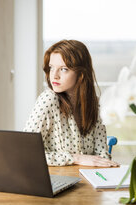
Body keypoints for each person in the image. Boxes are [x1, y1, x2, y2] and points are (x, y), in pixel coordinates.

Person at [23, 39, 119, 167]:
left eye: (63, 69)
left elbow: (101, 154)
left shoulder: (94, 103)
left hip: (87, 179)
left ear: (81, 74)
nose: (54, 76)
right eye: (51, 68)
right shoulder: (48, 99)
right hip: (55, 180)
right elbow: (26, 152)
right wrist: (75, 158)